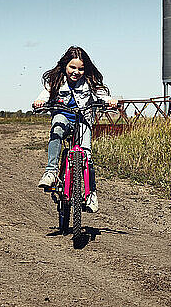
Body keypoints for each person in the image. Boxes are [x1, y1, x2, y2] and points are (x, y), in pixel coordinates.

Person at [33, 46, 117, 213]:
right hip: (63, 117)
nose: (76, 72)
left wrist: (109, 101)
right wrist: (39, 102)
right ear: (65, 65)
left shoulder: (89, 82)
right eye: (73, 67)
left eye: (81, 69)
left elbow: (101, 94)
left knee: (86, 155)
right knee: (56, 129)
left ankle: (91, 193)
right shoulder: (57, 81)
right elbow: (45, 94)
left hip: (82, 120)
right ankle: (51, 172)